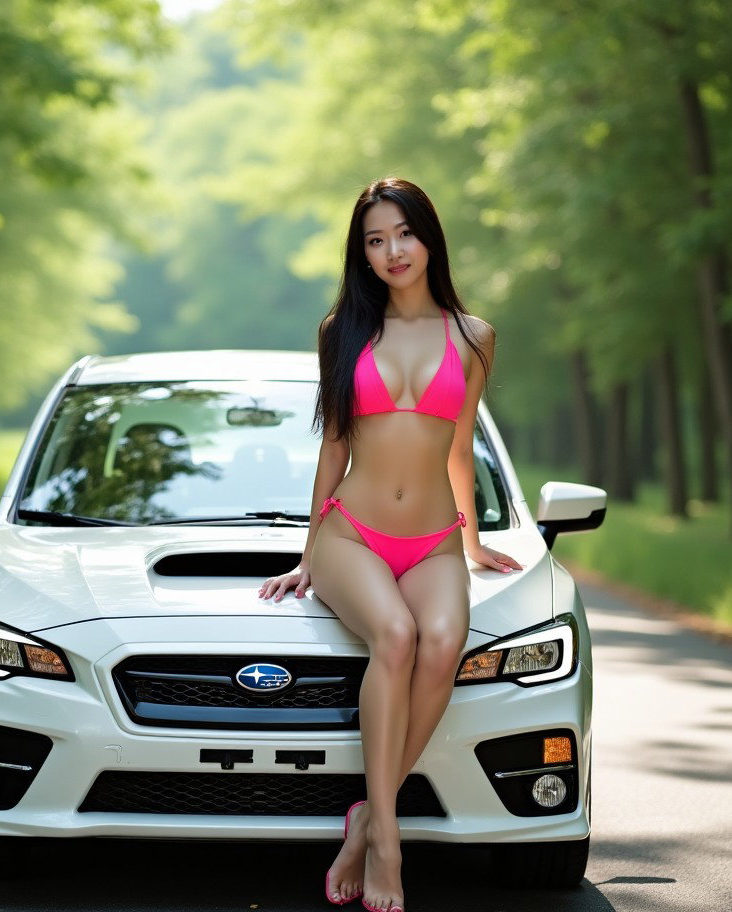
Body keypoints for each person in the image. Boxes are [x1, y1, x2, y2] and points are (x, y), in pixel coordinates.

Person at [257, 177, 522, 912]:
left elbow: (460, 449)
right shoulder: (341, 331)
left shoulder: (474, 336)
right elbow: (334, 447)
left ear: (429, 238)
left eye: (404, 233)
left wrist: (471, 543)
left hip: (434, 539)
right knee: (397, 636)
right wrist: (310, 551)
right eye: (375, 240)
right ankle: (387, 843)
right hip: (353, 533)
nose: (392, 251)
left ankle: (364, 819)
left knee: (443, 641)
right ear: (363, 255)